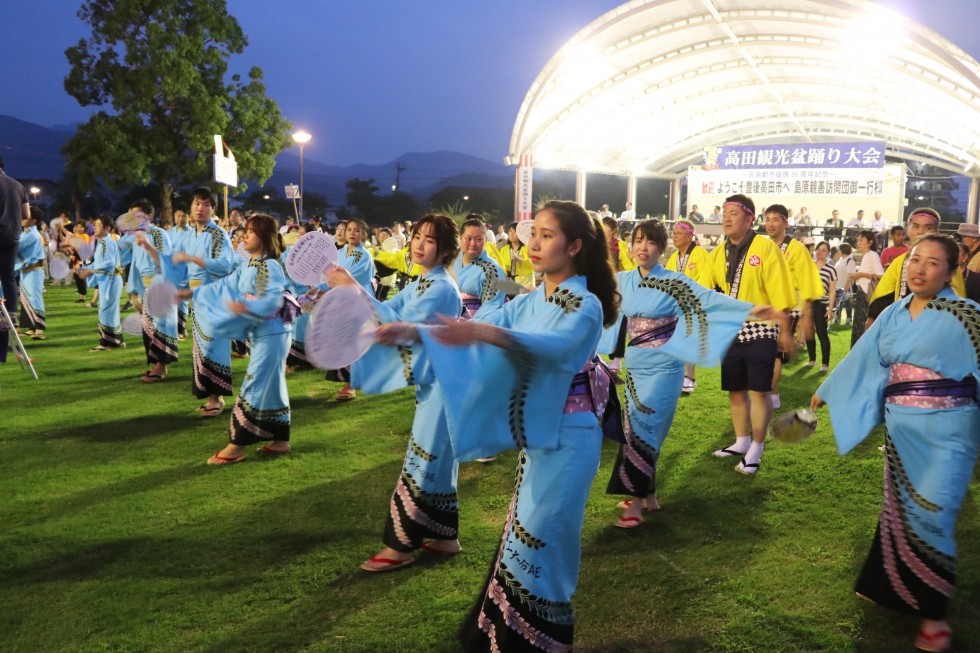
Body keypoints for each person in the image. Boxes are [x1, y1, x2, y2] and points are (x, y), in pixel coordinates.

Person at [381, 200, 620, 651]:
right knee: (523, 540)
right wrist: (413, 333)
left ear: (574, 246)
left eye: (547, 236)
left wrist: (484, 334)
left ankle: (542, 642)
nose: (534, 244)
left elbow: (557, 349)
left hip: (570, 440)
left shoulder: (584, 304)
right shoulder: (532, 300)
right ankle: (508, 639)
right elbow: (478, 325)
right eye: (534, 234)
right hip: (540, 437)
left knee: (546, 543)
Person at [811, 234, 979, 653]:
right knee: (901, 509)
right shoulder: (894, 312)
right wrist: (829, 388)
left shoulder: (968, 315)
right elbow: (865, 357)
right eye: (914, 260)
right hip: (902, 428)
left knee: (933, 515)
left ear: (951, 271)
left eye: (932, 263)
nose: (919, 268)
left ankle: (934, 615)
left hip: (950, 431)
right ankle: (894, 588)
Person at [602, 219, 773, 528]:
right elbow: (592, 293)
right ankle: (649, 493)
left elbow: (710, 300)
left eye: (651, 242)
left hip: (665, 366)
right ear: (630, 246)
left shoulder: (675, 282)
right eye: (638, 240)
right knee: (637, 428)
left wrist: (750, 309)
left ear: (661, 248)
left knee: (644, 428)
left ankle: (636, 503)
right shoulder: (621, 280)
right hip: (636, 367)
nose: (643, 247)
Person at [326, 214, 463, 572]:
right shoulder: (422, 282)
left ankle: (400, 545)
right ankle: (445, 536)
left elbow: (393, 323)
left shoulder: (441, 287)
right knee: (438, 459)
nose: (418, 243)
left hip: (444, 385)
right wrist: (350, 291)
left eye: (429, 240)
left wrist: (352, 290)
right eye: (417, 236)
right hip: (437, 383)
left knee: (422, 460)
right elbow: (391, 310)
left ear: (446, 249)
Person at [169, 215, 291, 464]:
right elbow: (222, 286)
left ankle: (237, 445)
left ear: (264, 237)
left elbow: (274, 299)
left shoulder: (270, 266)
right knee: (273, 386)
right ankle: (281, 440)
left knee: (254, 384)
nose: (244, 235)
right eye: (245, 231)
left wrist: (245, 306)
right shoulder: (249, 264)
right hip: (263, 333)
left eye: (251, 231)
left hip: (274, 334)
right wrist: (191, 293)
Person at [697, 194, 795, 475]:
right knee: (735, 390)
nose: (726, 218)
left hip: (762, 328)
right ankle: (741, 441)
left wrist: (784, 330)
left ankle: (757, 448)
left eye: (733, 213)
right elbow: (703, 290)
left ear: (750, 218)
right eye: (724, 213)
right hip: (730, 329)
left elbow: (781, 293)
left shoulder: (765, 248)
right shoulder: (718, 252)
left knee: (759, 391)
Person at [171, 187, 237, 416]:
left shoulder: (218, 234)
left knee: (213, 345)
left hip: (214, 297)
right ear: (190, 207)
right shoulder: (189, 235)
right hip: (196, 299)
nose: (200, 208)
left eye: (206, 204)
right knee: (201, 347)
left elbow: (225, 265)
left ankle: (216, 398)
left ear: (214, 209)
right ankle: (211, 396)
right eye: (197, 203)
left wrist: (193, 258)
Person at [764, 204, 823, 409]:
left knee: (775, 352)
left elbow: (808, 282)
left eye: (775, 219)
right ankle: (768, 391)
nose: (770, 224)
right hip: (766, 307)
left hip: (789, 307)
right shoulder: (764, 247)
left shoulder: (796, 249)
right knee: (765, 350)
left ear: (785, 223)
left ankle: (772, 393)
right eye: (768, 219)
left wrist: (806, 316)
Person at [868, 209, 966, 326]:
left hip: (936, 325)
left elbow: (958, 302)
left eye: (928, 227)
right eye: (916, 226)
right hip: (901, 325)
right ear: (908, 230)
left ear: (937, 232)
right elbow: (883, 296)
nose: (921, 232)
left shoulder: (947, 262)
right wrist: (873, 317)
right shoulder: (898, 262)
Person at [323, 218, 376, 401]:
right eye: (350, 230)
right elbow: (331, 275)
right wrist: (319, 288)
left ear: (363, 234)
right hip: (341, 300)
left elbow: (350, 278)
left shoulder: (365, 256)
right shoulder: (340, 253)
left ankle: (351, 384)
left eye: (357, 230)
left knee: (354, 340)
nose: (352, 233)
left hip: (358, 300)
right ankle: (349, 379)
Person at [129, 212, 177, 382]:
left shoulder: (158, 233)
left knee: (161, 326)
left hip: (159, 283)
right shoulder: (136, 237)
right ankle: (157, 365)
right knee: (149, 327)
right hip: (145, 285)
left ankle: (161, 367)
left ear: (148, 215)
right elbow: (135, 265)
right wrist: (134, 293)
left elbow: (166, 260)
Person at [664, 218, 710, 393]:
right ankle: (679, 376)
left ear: (690, 236)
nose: (674, 237)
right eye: (673, 233)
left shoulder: (700, 253)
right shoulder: (674, 257)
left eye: (678, 233)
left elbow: (705, 279)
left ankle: (690, 377)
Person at [75, 216, 125, 351]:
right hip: (109, 279)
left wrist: (90, 270)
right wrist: (87, 268)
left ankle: (106, 343)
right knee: (110, 311)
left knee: (105, 310)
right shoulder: (104, 241)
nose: (94, 228)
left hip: (110, 280)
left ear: (107, 228)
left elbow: (109, 263)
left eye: (97, 225)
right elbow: (103, 262)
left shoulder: (106, 242)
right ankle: (117, 340)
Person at [453, 217, 505, 319]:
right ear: (460, 238)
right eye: (468, 238)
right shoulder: (451, 260)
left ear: (485, 240)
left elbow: (491, 309)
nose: (473, 244)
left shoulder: (492, 270)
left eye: (478, 239)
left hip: (473, 326)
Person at [805, 241, 837, 372]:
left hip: (821, 305)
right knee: (809, 333)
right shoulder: (809, 266)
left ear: (828, 253)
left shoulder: (831, 269)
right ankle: (812, 360)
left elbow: (832, 290)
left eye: (824, 250)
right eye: (818, 249)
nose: (820, 252)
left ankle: (825, 363)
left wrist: (830, 309)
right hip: (808, 303)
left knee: (822, 333)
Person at [16, 207, 47, 339]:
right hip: (27, 271)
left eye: (26, 216)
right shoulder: (27, 232)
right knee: (26, 298)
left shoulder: (32, 235)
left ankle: (39, 329)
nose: (22, 218)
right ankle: (32, 328)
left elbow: (15, 245)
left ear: (34, 220)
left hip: (33, 271)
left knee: (35, 298)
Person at [849, 229, 884, 346]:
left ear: (869, 242)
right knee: (858, 328)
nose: (858, 243)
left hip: (866, 296)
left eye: (861, 240)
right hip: (861, 295)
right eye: (857, 240)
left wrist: (860, 274)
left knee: (862, 329)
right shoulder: (866, 256)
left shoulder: (872, 255)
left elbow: (880, 276)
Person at [498, 221, 534, 289]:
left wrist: (520, 260)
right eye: (510, 231)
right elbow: (500, 265)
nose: (512, 234)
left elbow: (533, 264)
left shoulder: (527, 248)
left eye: (515, 232)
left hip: (524, 284)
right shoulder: (504, 249)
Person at [834, 243, 856, 324]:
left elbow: (851, 275)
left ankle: (849, 319)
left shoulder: (850, 260)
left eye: (839, 249)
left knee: (847, 303)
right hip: (837, 285)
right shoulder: (840, 259)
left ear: (843, 250)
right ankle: (837, 318)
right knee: (837, 303)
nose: (838, 251)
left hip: (845, 285)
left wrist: (846, 287)